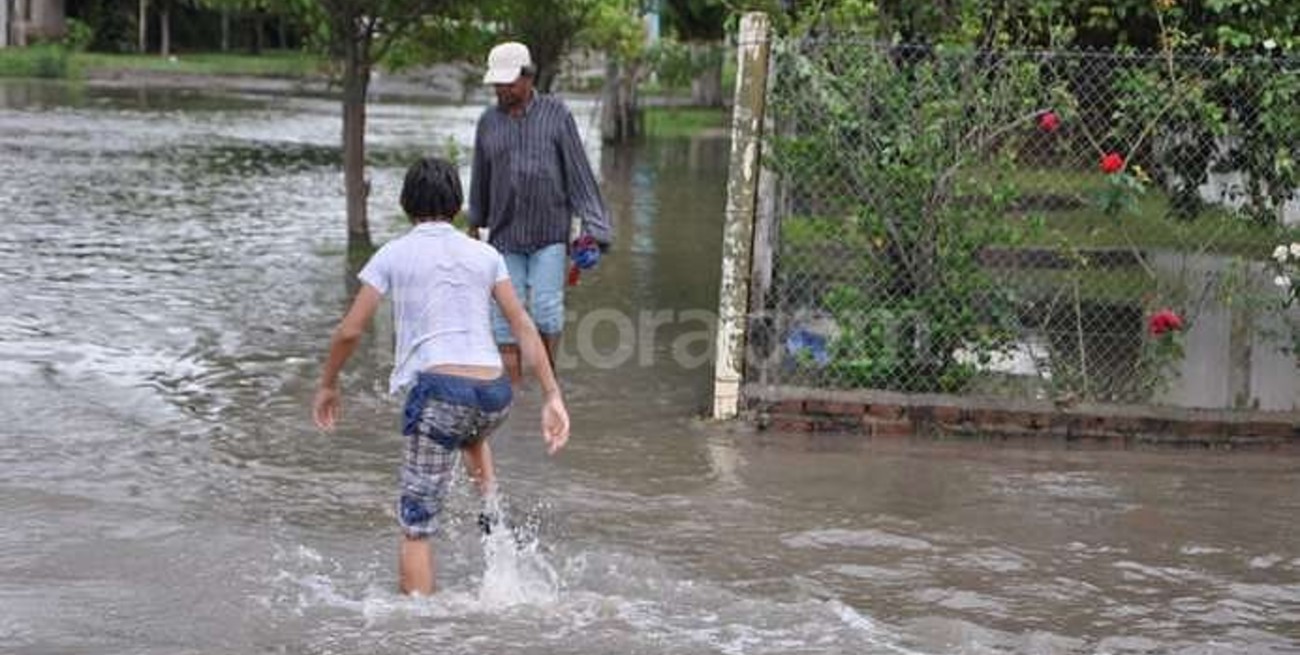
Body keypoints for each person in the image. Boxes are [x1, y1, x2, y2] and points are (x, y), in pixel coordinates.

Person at [312, 157, 570, 596]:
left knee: (416, 525)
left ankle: (419, 627)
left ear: (406, 203)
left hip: (440, 393)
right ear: (457, 205)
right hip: (493, 394)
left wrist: (328, 384)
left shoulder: (393, 253)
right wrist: (552, 395)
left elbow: (350, 330)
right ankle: (492, 517)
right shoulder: (485, 254)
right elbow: (524, 325)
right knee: (468, 432)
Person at [469, 40, 614, 386]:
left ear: (528, 77)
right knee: (504, 316)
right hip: (504, 235)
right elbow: (481, 177)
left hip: (550, 232)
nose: (502, 89)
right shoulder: (488, 123)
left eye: (509, 82)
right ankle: (514, 391)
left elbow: (579, 172)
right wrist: (475, 224)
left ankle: (548, 383)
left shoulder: (557, 115)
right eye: (497, 84)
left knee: (547, 311)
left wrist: (594, 228)